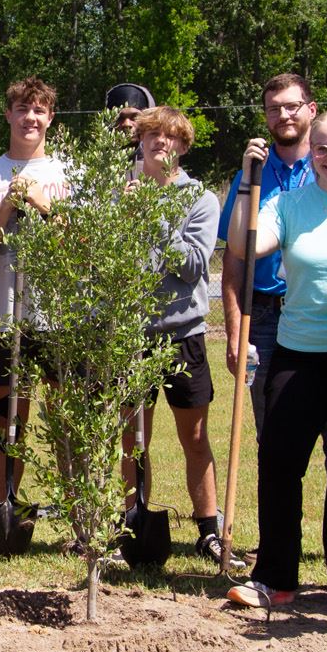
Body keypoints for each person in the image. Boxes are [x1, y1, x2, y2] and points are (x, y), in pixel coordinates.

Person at [224, 107, 327, 608]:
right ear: (311, 151)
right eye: (322, 148)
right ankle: (276, 577)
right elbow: (245, 245)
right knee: (278, 462)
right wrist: (249, 183)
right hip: (298, 353)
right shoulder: (287, 204)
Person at [118, 105, 231, 569]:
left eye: (169, 138)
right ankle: (132, 519)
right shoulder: (116, 192)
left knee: (196, 436)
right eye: (151, 135)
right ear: (140, 141)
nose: (159, 143)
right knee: (132, 436)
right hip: (129, 333)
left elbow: (191, 267)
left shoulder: (200, 199)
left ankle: (207, 529)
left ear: (182, 146)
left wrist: (149, 215)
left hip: (183, 334)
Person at [0, 76, 70, 510]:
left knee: (66, 421)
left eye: (39, 110)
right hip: (7, 320)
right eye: (22, 109)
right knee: (10, 423)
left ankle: (77, 518)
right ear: (8, 114)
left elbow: (81, 250)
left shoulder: (71, 175)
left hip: (61, 319)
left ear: (50, 117)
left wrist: (45, 206)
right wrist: (7, 205)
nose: (30, 117)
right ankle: (5, 508)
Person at [216, 74, 319, 433]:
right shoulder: (250, 173)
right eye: (274, 109)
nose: (284, 116)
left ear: (311, 109)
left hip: (322, 312)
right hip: (263, 318)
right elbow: (234, 259)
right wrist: (234, 332)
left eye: (292, 106)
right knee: (274, 439)